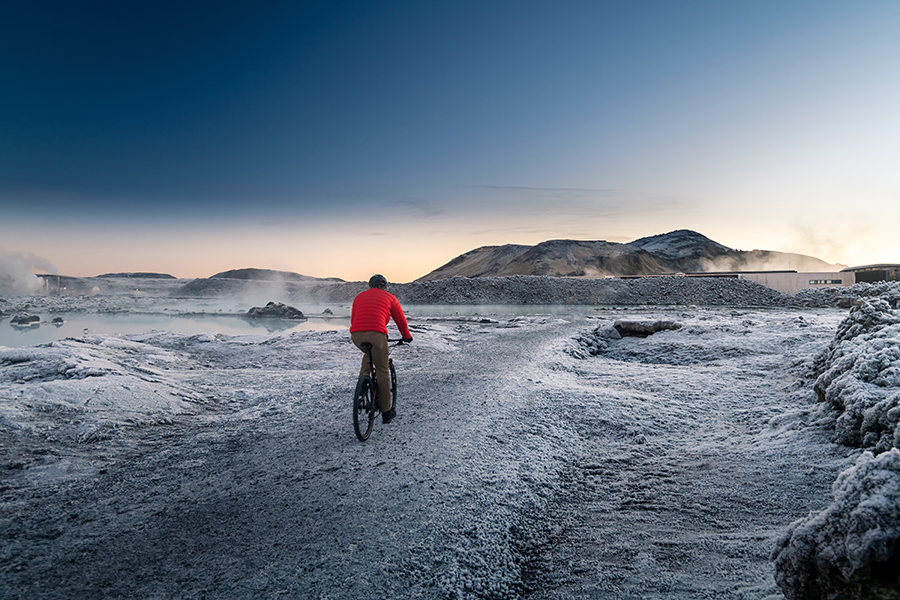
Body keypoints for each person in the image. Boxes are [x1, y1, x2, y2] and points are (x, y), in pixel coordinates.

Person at [350, 274, 412, 423]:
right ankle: (386, 411)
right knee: (382, 370)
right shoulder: (390, 298)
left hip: (356, 335)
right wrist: (407, 336)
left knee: (369, 355)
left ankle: (363, 386)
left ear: (370, 285)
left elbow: (353, 318)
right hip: (377, 335)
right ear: (384, 285)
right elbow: (400, 320)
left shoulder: (359, 297)